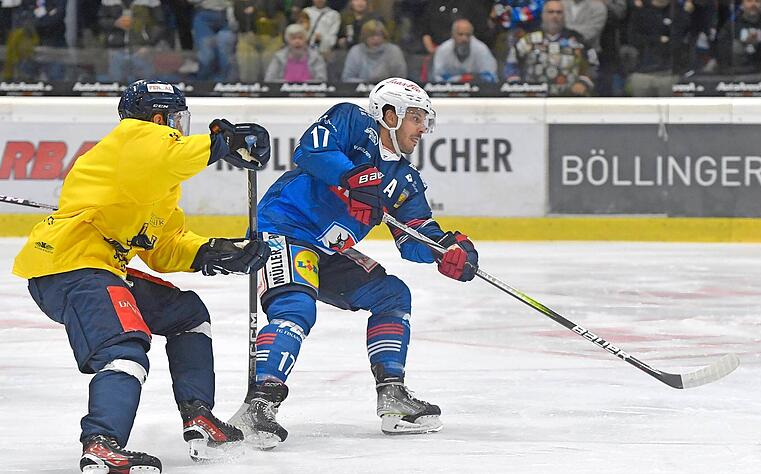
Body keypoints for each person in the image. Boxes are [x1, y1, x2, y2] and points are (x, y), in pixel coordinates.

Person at [12, 80, 273, 473]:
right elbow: (173, 153)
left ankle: (198, 415)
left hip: (98, 266)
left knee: (187, 314)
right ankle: (102, 443)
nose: (179, 127)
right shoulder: (134, 139)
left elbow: (164, 246)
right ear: (157, 118)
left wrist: (213, 251)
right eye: (176, 119)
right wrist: (220, 144)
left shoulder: (156, 180)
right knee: (123, 349)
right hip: (71, 266)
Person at [232, 77, 479, 448]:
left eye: (424, 119)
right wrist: (352, 176)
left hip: (332, 249)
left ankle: (392, 396)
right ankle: (259, 405)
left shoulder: (406, 179)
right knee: (296, 308)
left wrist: (443, 248)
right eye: (415, 117)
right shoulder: (351, 122)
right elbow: (310, 152)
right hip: (286, 229)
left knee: (392, 295)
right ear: (389, 114)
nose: (422, 128)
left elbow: (414, 235)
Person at [504, 0, 598, 96]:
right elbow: (511, 63)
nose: (555, 16)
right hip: (534, 99)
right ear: (543, 15)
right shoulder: (528, 39)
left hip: (569, 98)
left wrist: (583, 82)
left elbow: (593, 65)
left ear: (564, 16)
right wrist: (516, 85)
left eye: (559, 12)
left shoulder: (578, 41)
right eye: (550, 12)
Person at [715, 0, 761, 75]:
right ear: (742, 4)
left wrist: (758, 45)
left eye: (757, 1)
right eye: (749, 1)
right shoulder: (731, 26)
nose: (753, 4)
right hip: (736, 75)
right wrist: (743, 44)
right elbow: (722, 53)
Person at [432, 17, 499, 82]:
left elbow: (492, 77)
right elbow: (437, 77)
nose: (464, 39)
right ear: (453, 35)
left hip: (478, 90)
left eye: (468, 35)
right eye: (460, 34)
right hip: (449, 91)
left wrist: (474, 78)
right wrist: (460, 79)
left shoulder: (481, 49)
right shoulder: (443, 50)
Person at [341, 19, 407, 82]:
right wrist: (367, 85)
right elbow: (347, 78)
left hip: (388, 91)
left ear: (384, 36)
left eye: (379, 35)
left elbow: (400, 79)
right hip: (360, 91)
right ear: (364, 37)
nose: (375, 38)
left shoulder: (394, 51)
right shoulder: (355, 51)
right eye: (371, 35)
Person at [264, 22, 328, 82]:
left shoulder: (316, 57)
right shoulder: (278, 57)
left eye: (300, 38)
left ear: (305, 40)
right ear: (287, 40)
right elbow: (269, 80)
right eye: (293, 38)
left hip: (309, 93)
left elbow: (322, 80)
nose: (297, 41)